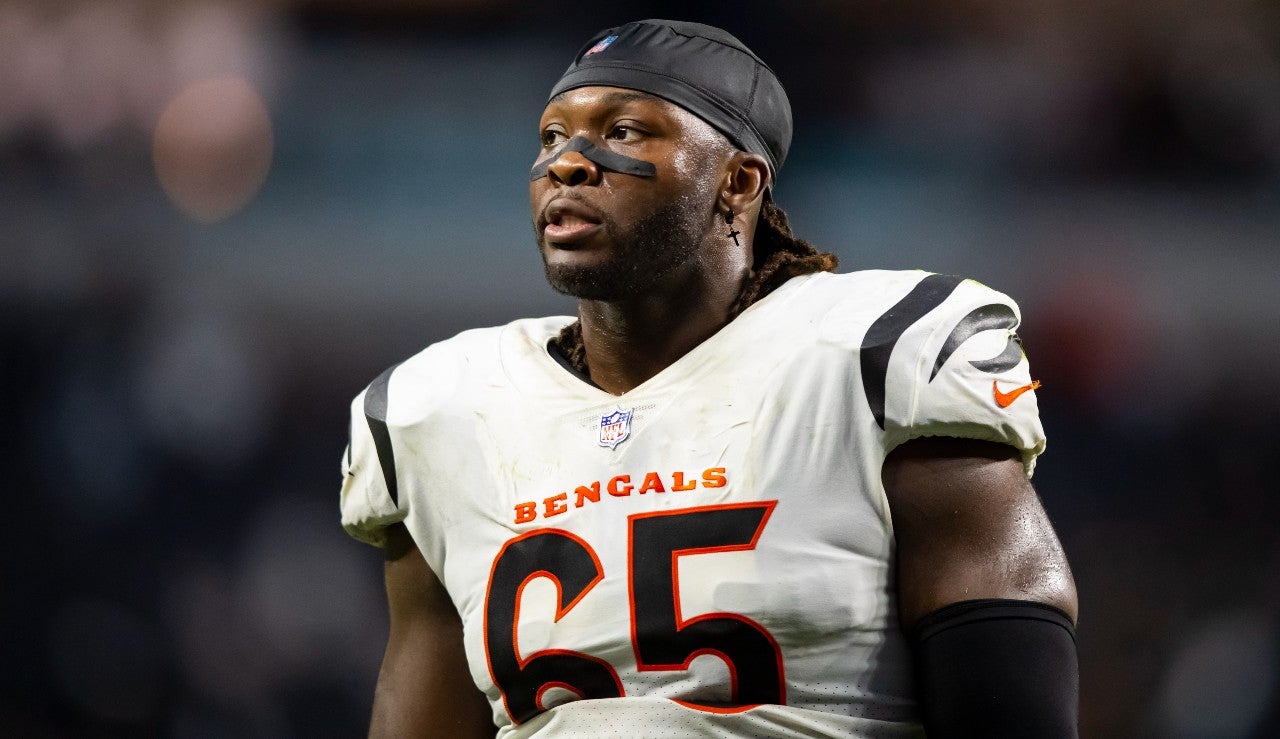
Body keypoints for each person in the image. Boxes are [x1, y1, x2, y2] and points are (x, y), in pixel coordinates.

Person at [340, 19, 1078, 738]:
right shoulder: (441, 409)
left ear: (738, 181)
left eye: (624, 131)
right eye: (552, 137)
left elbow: (1011, 697)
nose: (567, 162)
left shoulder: (876, 357)